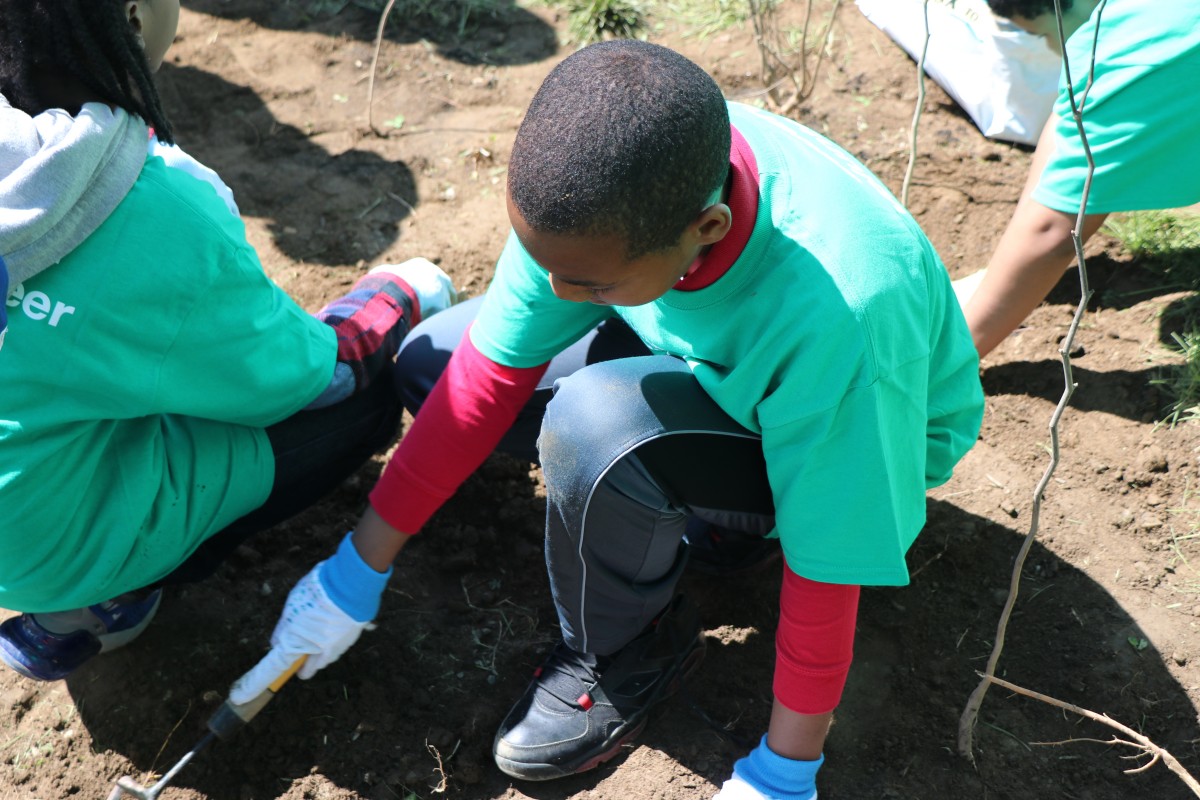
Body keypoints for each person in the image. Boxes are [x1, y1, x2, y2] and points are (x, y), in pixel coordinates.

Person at [232, 41, 984, 799]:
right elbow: (482, 380)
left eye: (584, 279)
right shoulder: (612, 185)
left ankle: (631, 641)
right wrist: (352, 571)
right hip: (704, 350)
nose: (554, 286)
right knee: (433, 360)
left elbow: (829, 567)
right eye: (542, 259)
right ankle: (657, 500)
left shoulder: (839, 317)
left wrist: (785, 771)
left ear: (709, 228)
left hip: (855, 442)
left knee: (595, 427)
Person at [0, 0, 454, 684]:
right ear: (132, 18)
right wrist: (400, 292)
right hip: (44, 551)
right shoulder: (151, 210)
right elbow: (311, 376)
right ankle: (95, 600)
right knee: (362, 402)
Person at [954, 0, 1200, 358]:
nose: (1052, 50)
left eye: (1038, 35)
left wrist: (953, 358)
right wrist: (998, 270)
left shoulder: (1140, 49)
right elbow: (1071, 120)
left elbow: (1053, 230)